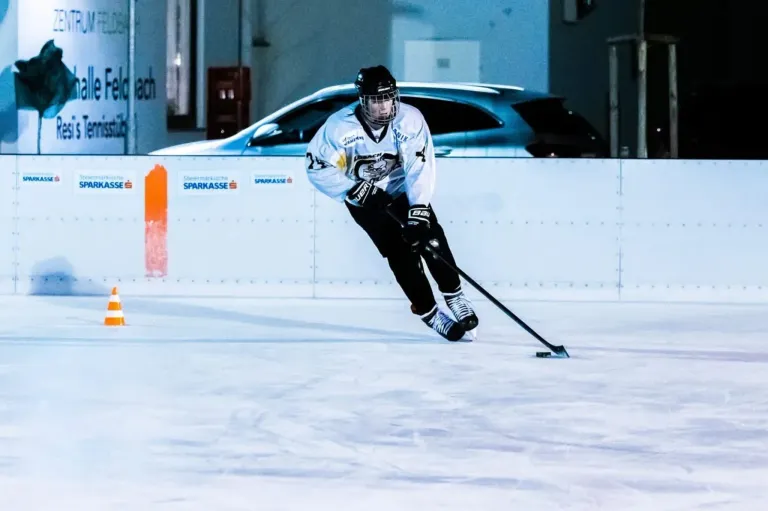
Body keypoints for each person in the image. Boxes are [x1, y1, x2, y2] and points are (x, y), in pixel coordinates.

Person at [304, 65, 478, 341]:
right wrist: (354, 189)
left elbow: (419, 167)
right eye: (376, 100)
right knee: (400, 254)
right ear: (363, 100)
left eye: (388, 98)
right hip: (365, 201)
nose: (384, 106)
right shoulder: (339, 128)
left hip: (402, 191)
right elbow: (316, 166)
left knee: (430, 240)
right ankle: (429, 311)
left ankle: (454, 295)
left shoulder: (409, 120)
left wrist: (418, 209)